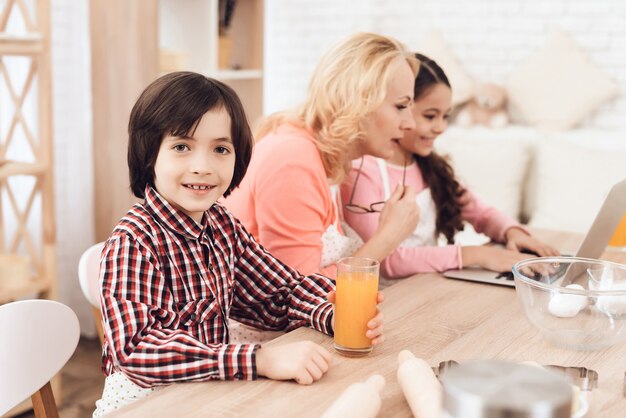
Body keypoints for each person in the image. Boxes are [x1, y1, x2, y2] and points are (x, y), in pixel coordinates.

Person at [93, 72, 384, 416]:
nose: (202, 166)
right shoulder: (134, 243)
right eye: (181, 147)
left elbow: (277, 293)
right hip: (145, 407)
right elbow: (138, 349)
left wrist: (331, 312)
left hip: (208, 397)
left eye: (220, 149)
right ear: (149, 155)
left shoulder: (222, 226)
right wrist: (258, 359)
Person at [340, 54, 560, 279]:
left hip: (429, 287)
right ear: (399, 109)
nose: (441, 127)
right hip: (392, 298)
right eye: (430, 116)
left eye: (445, 116)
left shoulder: (428, 166)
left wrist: (513, 232)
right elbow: (382, 262)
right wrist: (476, 255)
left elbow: (481, 212)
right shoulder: (363, 173)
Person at [223, 32, 420, 282]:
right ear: (358, 101)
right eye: (401, 106)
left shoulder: (330, 157)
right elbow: (296, 295)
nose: (410, 124)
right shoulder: (292, 160)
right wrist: (388, 238)